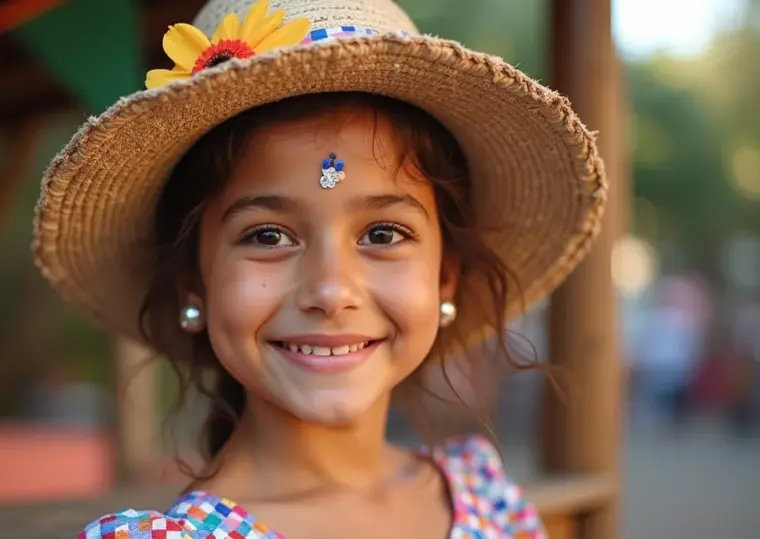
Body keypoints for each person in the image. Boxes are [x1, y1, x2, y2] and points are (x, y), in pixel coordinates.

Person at [32, 0, 606, 537]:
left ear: (445, 278)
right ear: (195, 284)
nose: (331, 291)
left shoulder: (486, 496)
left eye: (383, 234)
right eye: (268, 236)